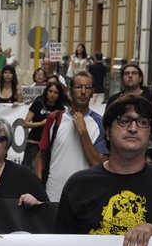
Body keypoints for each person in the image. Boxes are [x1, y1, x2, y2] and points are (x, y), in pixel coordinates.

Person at [55, 95, 152, 246]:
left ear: (150, 135)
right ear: (107, 132)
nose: (133, 128)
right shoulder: (79, 184)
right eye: (124, 121)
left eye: (142, 123)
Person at [36, 72, 107, 203]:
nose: (83, 92)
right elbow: (41, 155)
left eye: (88, 88)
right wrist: (39, 188)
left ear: (92, 92)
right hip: (53, 196)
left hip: (85, 198)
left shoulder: (100, 123)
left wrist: (83, 132)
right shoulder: (55, 118)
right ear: (70, 91)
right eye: (78, 87)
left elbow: (98, 165)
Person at [23, 81, 67, 173]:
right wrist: (41, 123)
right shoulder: (39, 102)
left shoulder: (60, 108)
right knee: (29, 173)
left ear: (59, 95)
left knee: (45, 174)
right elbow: (26, 124)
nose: (52, 94)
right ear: (46, 91)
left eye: (56, 92)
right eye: (50, 91)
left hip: (49, 146)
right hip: (34, 143)